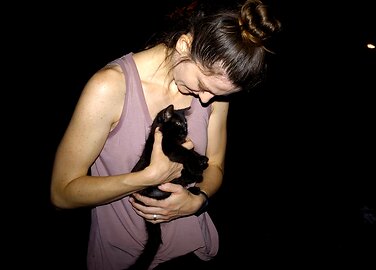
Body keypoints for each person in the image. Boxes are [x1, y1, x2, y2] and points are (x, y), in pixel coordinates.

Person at [50, 0, 282, 269]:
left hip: (195, 252)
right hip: (125, 260)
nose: (207, 100)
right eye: (203, 85)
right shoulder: (110, 87)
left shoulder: (214, 91)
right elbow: (62, 193)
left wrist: (197, 201)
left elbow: (216, 165)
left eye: (219, 95)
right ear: (184, 45)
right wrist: (147, 177)